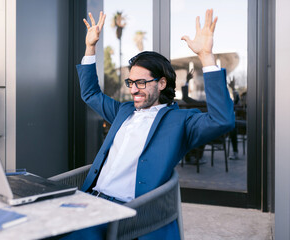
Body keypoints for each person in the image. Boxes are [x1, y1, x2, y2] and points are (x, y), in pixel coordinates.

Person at [66, 9, 234, 239]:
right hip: (89, 201)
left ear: (162, 83)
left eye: (141, 83)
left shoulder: (179, 121)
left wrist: (206, 57)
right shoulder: (123, 111)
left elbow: (222, 120)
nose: (133, 89)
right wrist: (90, 48)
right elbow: (90, 94)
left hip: (125, 213)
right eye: (131, 82)